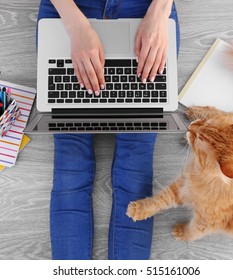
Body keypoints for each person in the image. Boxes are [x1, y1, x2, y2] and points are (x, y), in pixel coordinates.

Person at [37, 0, 180, 260]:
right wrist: (76, 25)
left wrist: (160, 10)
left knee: (136, 161)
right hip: (69, 9)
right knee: (71, 161)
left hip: (146, 10)